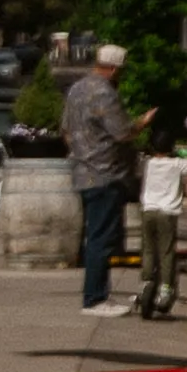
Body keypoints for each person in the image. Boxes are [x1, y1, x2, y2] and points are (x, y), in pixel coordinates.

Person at [58, 45, 137, 313]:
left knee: (95, 234)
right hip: (105, 173)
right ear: (114, 69)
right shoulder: (105, 93)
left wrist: (82, 152)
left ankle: (97, 295)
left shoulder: (76, 89)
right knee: (102, 238)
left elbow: (66, 130)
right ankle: (95, 298)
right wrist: (142, 123)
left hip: (82, 171)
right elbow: (122, 133)